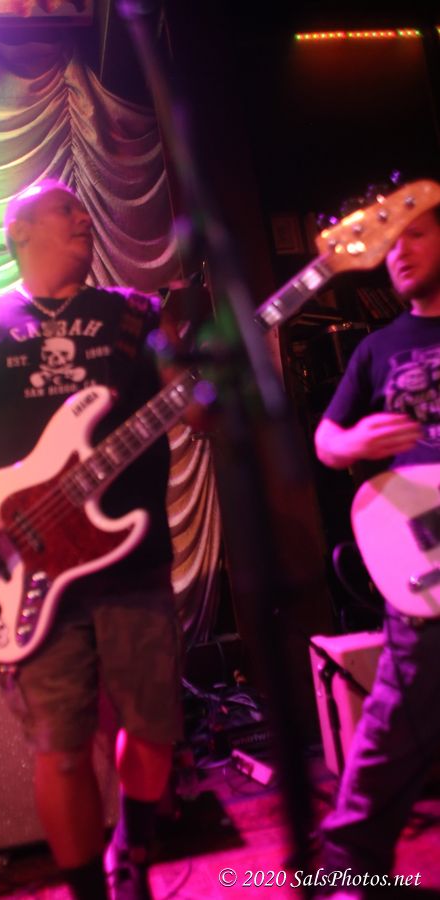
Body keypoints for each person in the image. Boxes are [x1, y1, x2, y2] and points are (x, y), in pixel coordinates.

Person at [0, 179, 185, 900]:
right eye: (66, 208)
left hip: (131, 557)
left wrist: (219, 377)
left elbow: (194, 404)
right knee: (59, 750)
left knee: (154, 729)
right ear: (20, 230)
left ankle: (133, 846)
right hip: (24, 567)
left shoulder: (134, 312)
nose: (84, 217)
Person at [314, 205, 440, 898]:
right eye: (390, 242)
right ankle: (350, 872)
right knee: (393, 724)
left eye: (416, 233)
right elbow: (326, 440)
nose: (398, 251)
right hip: (421, 565)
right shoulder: (378, 348)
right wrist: (355, 442)